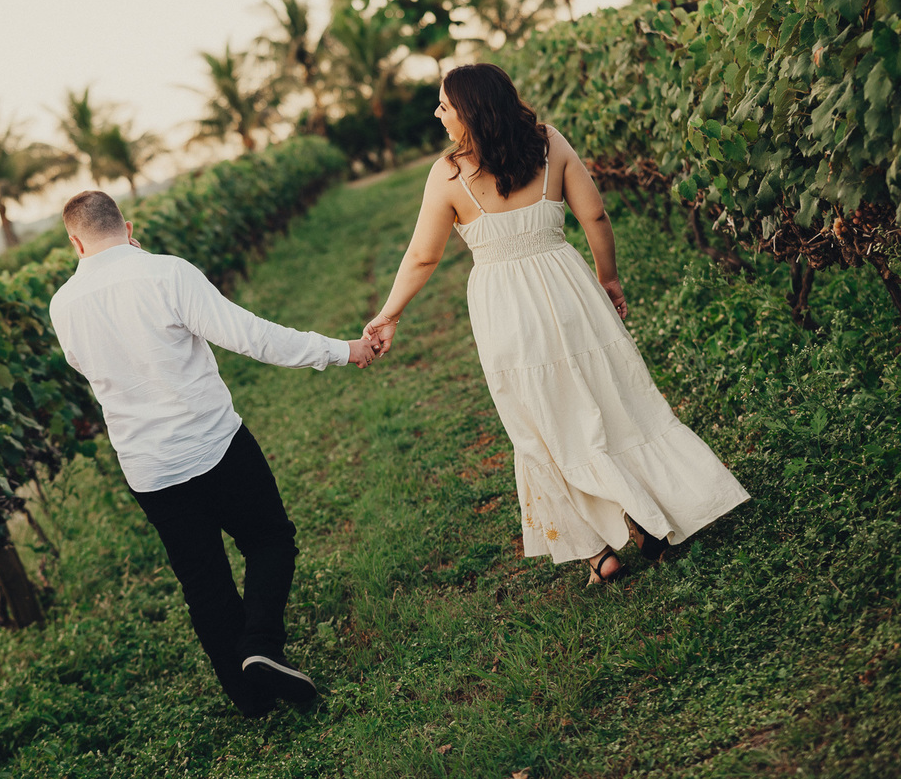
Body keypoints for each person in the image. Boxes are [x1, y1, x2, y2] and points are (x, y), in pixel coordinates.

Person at [363, 63, 749, 586]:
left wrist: (388, 314)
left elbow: (422, 257)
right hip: (570, 290)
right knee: (611, 402)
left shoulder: (448, 174)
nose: (437, 114)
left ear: (470, 114)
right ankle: (646, 517)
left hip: (505, 310)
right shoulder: (548, 143)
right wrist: (609, 280)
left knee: (541, 424)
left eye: (444, 106)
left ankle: (599, 553)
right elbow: (595, 217)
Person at [50, 190, 377, 717]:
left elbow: (88, 368)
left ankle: (251, 700)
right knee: (270, 540)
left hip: (149, 469)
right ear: (128, 229)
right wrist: (342, 350)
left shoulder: (62, 304)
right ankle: (261, 645)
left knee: (203, 585)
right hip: (215, 443)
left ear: (76, 243)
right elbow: (252, 336)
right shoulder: (166, 273)